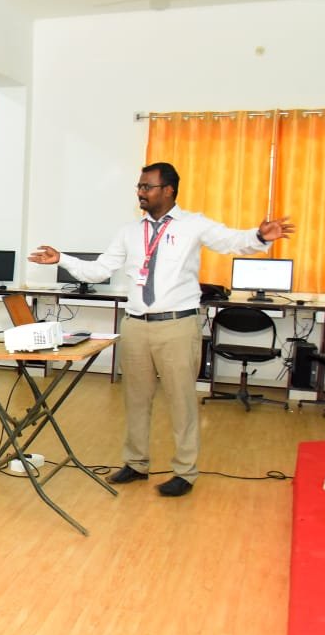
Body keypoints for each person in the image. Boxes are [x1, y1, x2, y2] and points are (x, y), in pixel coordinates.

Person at [28, 161, 295, 497]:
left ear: (168, 190)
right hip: (136, 325)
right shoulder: (129, 232)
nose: (141, 192)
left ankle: (185, 471)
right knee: (135, 399)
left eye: (147, 187)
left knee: (181, 402)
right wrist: (62, 259)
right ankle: (136, 463)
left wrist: (259, 236)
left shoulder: (193, 225)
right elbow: (100, 270)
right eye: (139, 187)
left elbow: (231, 241)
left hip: (177, 326)